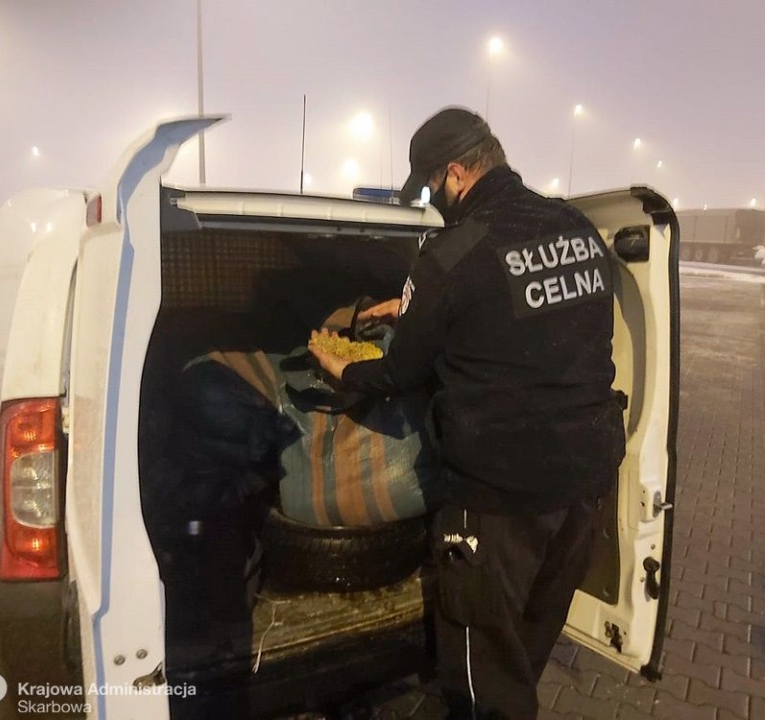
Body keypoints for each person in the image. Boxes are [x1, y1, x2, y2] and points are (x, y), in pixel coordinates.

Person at [309, 106, 626, 720]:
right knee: (526, 646)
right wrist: (406, 308)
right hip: (584, 483)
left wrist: (341, 368)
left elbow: (403, 373)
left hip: (499, 499)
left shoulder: (452, 252)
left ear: (455, 172)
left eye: (430, 187)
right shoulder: (577, 228)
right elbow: (524, 309)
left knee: (484, 686)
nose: (432, 202)